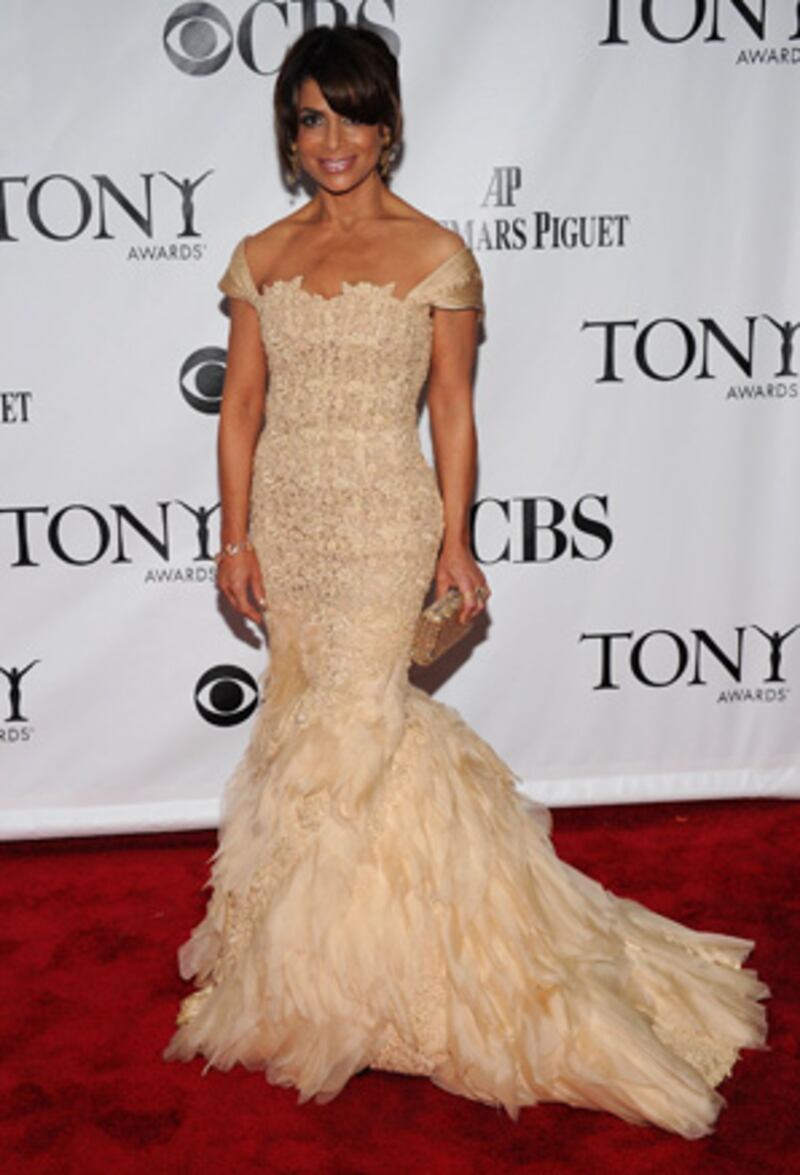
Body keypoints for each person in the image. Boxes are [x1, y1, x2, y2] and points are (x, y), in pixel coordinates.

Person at [163, 25, 770, 1139]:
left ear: (387, 125)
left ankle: (413, 972)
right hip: (289, 529)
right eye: (309, 118)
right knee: (309, 732)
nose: (331, 139)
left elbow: (451, 408)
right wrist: (234, 537)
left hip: (383, 519)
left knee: (355, 722)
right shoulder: (260, 253)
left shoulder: (437, 252)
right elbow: (240, 405)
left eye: (350, 116)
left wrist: (453, 536)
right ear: (288, 135)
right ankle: (324, 965)